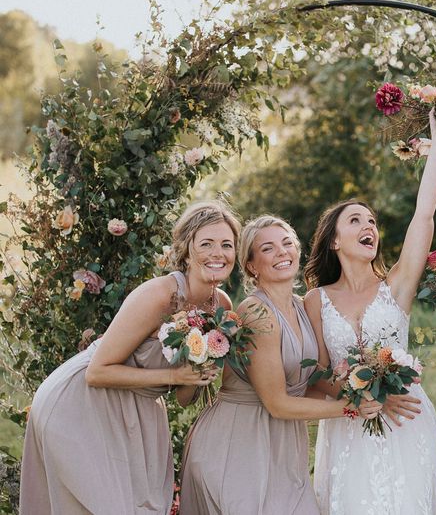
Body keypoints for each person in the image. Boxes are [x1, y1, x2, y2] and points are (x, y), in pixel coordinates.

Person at [20, 200, 239, 515]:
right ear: (187, 250)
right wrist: (174, 376)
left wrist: (200, 368)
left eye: (226, 244)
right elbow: (97, 372)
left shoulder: (220, 305)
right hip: (82, 402)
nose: (218, 253)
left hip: (139, 409)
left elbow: (184, 397)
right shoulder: (159, 295)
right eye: (206, 243)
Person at [180, 215, 379, 515]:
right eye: (268, 249)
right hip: (238, 444)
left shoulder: (303, 305)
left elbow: (316, 377)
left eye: (287, 244)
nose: (282, 252)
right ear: (251, 265)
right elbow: (277, 404)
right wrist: (352, 409)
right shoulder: (256, 312)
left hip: (285, 447)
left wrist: (367, 387)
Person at [304, 111, 436, 515]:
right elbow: (317, 376)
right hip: (349, 428)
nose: (369, 225)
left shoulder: (396, 287)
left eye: (372, 221)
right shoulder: (315, 301)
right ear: (334, 240)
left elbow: (424, 214)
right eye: (356, 220)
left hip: (406, 421)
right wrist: (363, 396)